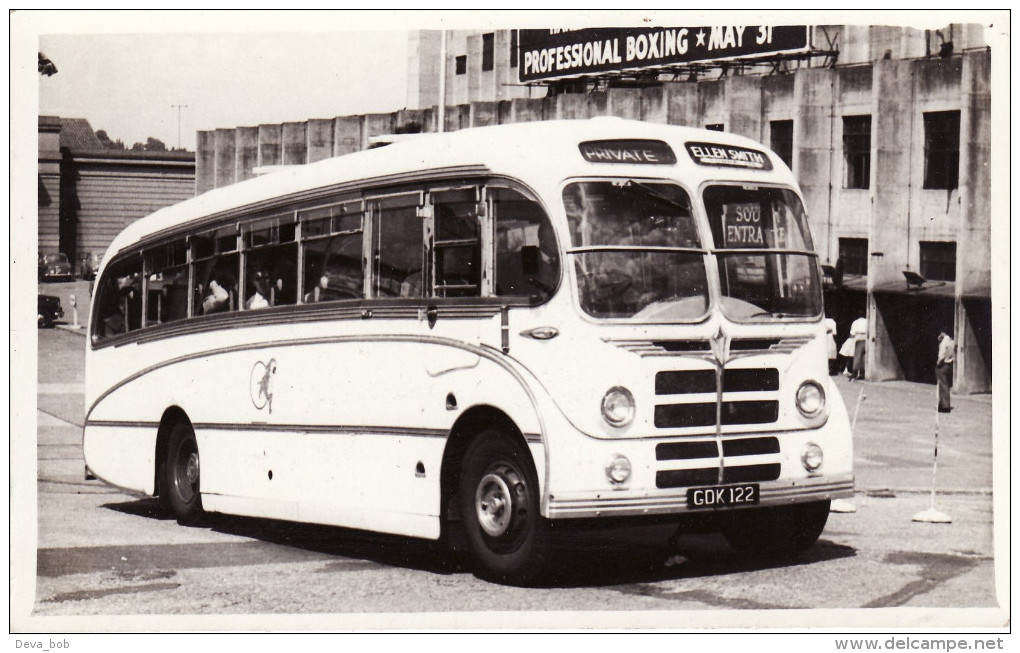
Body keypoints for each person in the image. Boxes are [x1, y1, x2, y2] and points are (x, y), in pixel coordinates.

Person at [936, 331, 955, 413]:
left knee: (942, 385)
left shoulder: (943, 343)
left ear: (943, 333)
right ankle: (945, 403)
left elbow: (941, 355)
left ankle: (944, 405)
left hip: (943, 364)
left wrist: (938, 363)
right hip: (949, 364)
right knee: (946, 385)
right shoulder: (952, 341)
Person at [848, 315, 867, 381]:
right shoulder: (867, 321)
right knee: (865, 357)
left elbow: (852, 333)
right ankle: (863, 373)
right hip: (866, 339)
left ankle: (854, 372)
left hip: (858, 338)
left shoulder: (855, 322)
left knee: (857, 357)